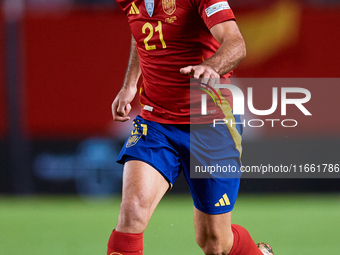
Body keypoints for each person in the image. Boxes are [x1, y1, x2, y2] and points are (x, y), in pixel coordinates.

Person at [108, 0, 274, 254]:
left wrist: (211, 67)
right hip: (155, 122)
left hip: (211, 125)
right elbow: (140, 32)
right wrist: (130, 83)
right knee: (132, 212)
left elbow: (236, 44)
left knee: (214, 243)